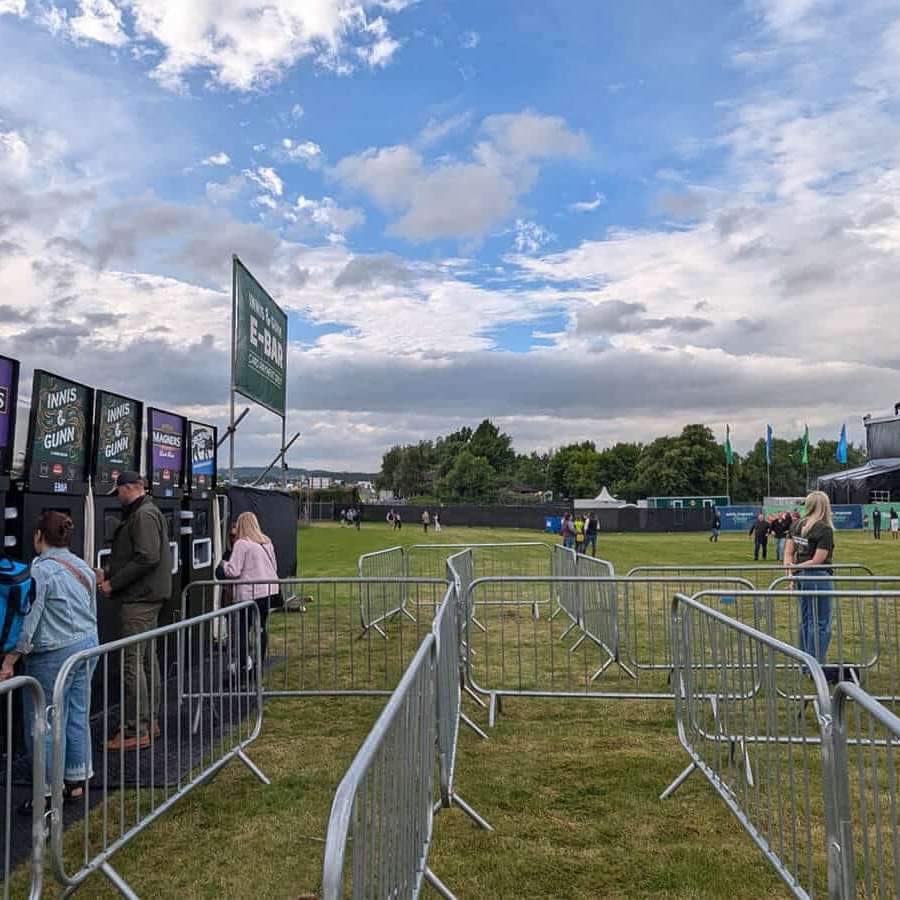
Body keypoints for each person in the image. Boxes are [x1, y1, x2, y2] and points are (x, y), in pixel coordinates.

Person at [0, 512, 98, 811]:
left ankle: (46, 792)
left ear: (39, 535)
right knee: (77, 714)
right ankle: (76, 781)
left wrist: (10, 660)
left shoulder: (40, 571)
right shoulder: (84, 567)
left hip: (53, 655)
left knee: (42, 723)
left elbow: (30, 620)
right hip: (87, 647)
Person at [97, 471, 172, 750]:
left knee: (132, 663)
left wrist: (112, 583)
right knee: (146, 661)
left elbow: (147, 557)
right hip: (149, 596)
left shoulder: (142, 516)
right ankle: (147, 721)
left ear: (129, 488)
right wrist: (106, 571)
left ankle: (134, 730)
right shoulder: (149, 512)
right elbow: (140, 556)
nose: (117, 497)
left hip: (140, 600)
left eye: (118, 492)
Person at [220, 512, 279, 670]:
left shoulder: (241, 544)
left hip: (249, 593)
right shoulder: (266, 542)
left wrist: (223, 564)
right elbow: (274, 567)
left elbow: (233, 571)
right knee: (261, 627)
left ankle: (243, 663)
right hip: (268, 591)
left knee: (242, 631)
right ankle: (259, 661)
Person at [784, 491, 835, 664]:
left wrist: (791, 574)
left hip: (801, 577)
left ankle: (805, 661)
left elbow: (788, 555)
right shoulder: (824, 529)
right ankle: (816, 663)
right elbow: (818, 560)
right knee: (820, 623)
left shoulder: (796, 525)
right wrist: (794, 571)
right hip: (818, 577)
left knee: (806, 620)